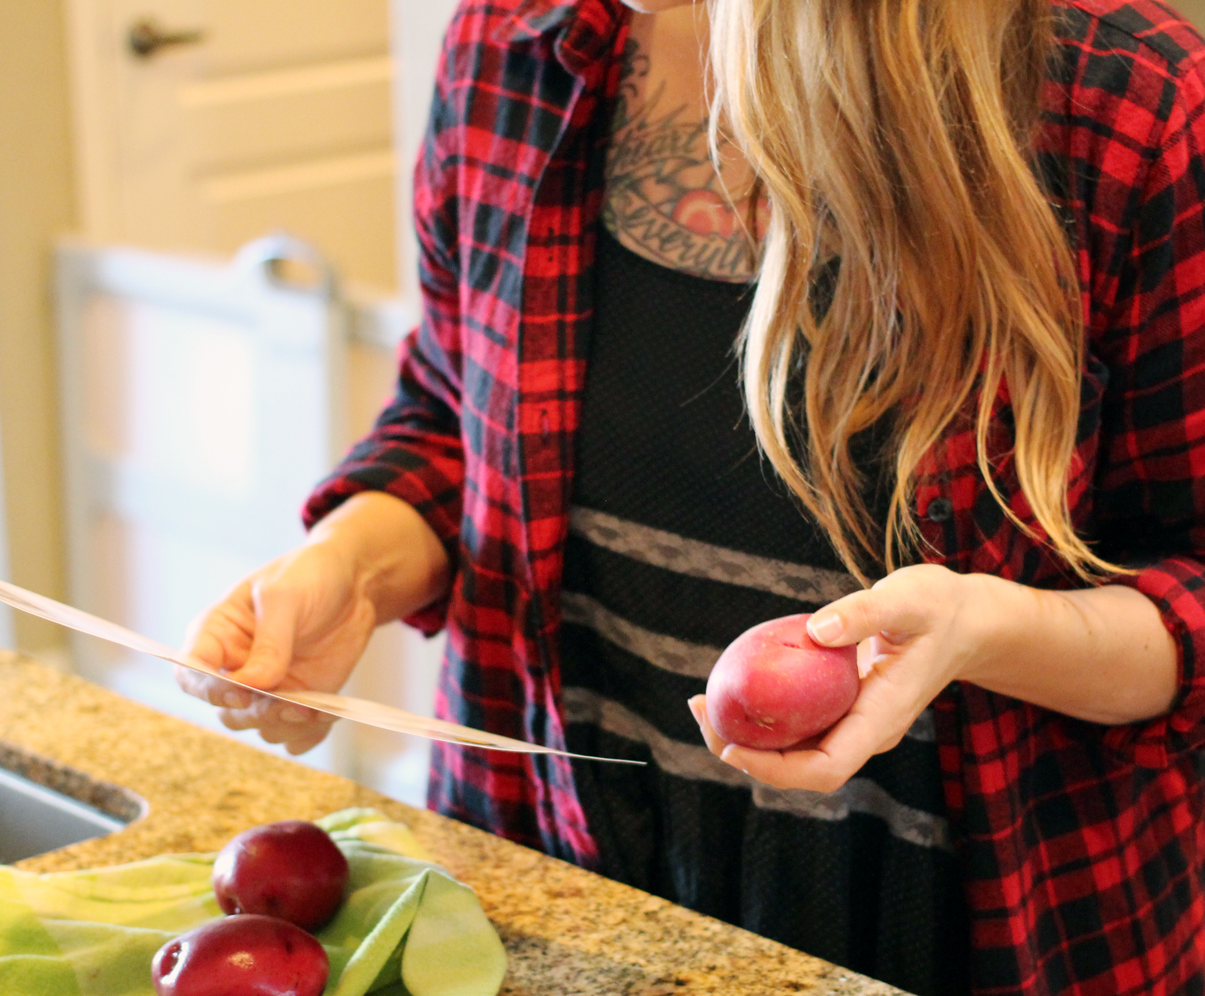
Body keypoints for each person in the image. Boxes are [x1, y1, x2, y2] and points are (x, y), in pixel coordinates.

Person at [175, 1, 1205, 993]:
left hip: (967, 922)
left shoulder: (1133, 105)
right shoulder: (514, 39)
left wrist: (986, 629)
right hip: (554, 869)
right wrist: (350, 566)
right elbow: (452, 410)